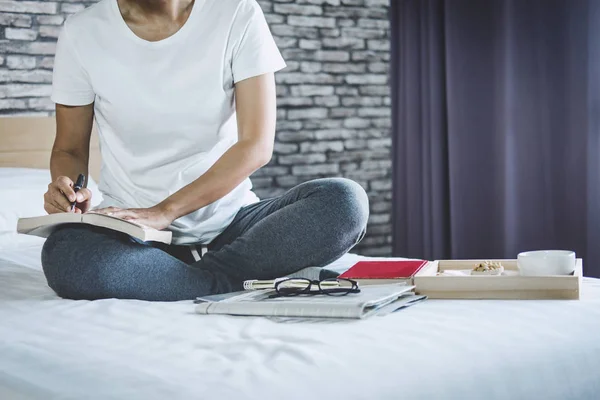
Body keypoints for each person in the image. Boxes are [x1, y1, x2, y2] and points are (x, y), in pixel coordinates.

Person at [41, 0, 369, 302]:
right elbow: (69, 148)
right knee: (67, 256)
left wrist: (165, 211)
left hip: (232, 222)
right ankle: (226, 280)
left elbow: (255, 146)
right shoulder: (83, 31)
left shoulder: (237, 13)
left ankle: (184, 278)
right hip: (133, 231)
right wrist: (69, 187)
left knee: (344, 202)